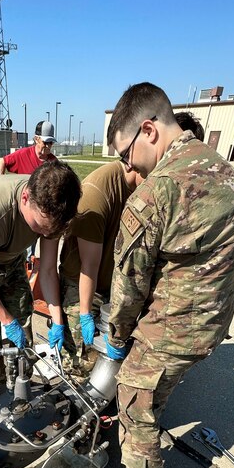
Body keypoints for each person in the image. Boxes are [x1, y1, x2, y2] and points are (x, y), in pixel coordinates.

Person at [93, 82, 234, 468]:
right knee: (156, 383)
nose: (126, 165)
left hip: (177, 326)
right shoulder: (226, 172)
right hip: (215, 320)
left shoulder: (154, 194)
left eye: (125, 154)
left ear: (148, 130)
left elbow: (127, 289)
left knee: (132, 396)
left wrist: (118, 340)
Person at [0, 160, 81, 392]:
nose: (46, 234)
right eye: (40, 227)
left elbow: (46, 270)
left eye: (51, 231)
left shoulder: (52, 212)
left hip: (13, 260)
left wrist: (57, 320)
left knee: (23, 322)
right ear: (25, 198)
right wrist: (6, 320)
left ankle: (23, 382)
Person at [58, 160, 141, 373]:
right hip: (81, 284)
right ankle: (75, 397)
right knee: (80, 357)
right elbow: (89, 265)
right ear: (134, 163)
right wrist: (85, 314)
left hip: (108, 281)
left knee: (103, 353)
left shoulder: (138, 186)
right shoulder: (96, 194)